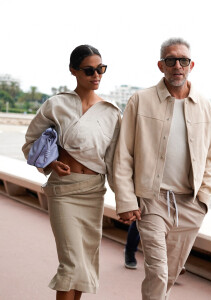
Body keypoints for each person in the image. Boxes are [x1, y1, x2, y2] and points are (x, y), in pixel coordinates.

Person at [113, 38, 211, 299]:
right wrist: (126, 199)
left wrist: (203, 199)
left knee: (170, 274)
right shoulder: (140, 101)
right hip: (153, 201)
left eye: (183, 61)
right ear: (161, 65)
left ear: (191, 65)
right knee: (158, 272)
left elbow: (210, 157)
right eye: (171, 60)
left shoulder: (205, 107)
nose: (177, 66)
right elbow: (123, 154)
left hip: (190, 204)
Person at [22, 45, 121, 300]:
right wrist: (51, 163)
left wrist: (127, 201)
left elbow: (116, 162)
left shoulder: (112, 112)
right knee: (71, 263)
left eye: (101, 69)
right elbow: (31, 142)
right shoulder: (56, 104)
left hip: (93, 192)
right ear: (73, 71)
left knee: (84, 264)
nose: (96, 75)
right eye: (89, 70)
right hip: (63, 192)